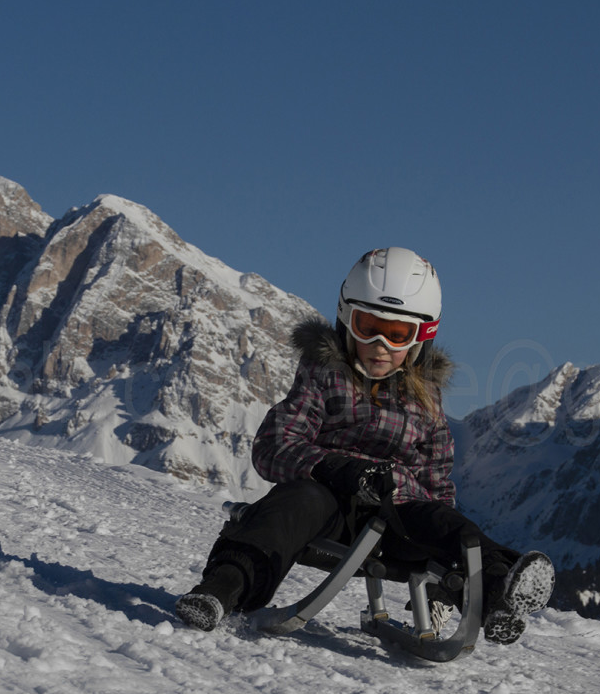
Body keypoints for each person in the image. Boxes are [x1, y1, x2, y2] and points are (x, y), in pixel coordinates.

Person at [176, 247, 554, 645]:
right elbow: (274, 445)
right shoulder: (325, 376)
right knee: (291, 506)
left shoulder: (425, 400)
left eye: (397, 334)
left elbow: (437, 483)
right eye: (368, 325)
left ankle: (497, 591)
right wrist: (333, 468)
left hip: (398, 514)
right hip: (330, 503)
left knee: (450, 526)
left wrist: (438, 567)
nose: (380, 344)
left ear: (420, 338)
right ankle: (222, 589)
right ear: (346, 318)